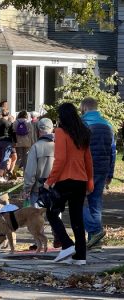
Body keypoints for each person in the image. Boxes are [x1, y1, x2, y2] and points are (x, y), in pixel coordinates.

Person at [44, 102, 94, 265]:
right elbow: (88, 160)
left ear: (62, 117)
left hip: (64, 180)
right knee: (76, 219)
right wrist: (90, 181)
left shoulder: (60, 131)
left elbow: (61, 159)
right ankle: (80, 256)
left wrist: (49, 181)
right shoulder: (83, 132)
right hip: (80, 180)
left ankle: (66, 244)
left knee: (52, 213)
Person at [80, 97, 116, 250]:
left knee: (77, 202)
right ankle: (95, 242)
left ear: (84, 108)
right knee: (96, 203)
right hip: (102, 169)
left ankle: (95, 231)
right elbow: (113, 151)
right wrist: (110, 173)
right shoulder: (108, 125)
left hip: (85, 169)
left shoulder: (82, 124)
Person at [23, 118, 61, 249]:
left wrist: (27, 187)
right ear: (52, 130)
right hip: (55, 185)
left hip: (38, 188)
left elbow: (30, 171)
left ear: (39, 131)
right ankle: (58, 236)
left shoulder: (36, 147)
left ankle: (38, 241)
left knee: (37, 214)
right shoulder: (59, 145)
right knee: (56, 212)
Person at [0, 109, 14, 182]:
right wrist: (15, 142)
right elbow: (12, 133)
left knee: (1, 158)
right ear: (8, 114)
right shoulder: (9, 123)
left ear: (1, 114)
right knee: (4, 158)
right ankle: (1, 175)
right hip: (7, 141)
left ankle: (3, 174)